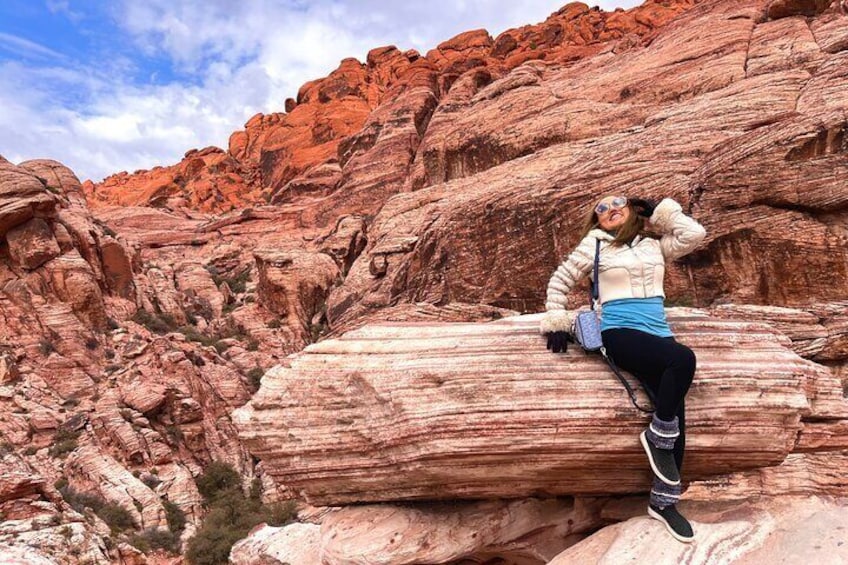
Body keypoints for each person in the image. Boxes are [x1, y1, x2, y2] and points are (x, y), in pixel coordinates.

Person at [539, 194, 707, 543]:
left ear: (632, 210)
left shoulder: (653, 244)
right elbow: (560, 280)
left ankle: (663, 503)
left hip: (658, 333)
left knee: (674, 408)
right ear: (596, 221)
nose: (610, 210)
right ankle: (656, 437)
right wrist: (555, 320)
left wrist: (662, 209)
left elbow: (694, 234)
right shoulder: (595, 245)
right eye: (601, 209)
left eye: (617, 204)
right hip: (618, 332)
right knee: (683, 359)